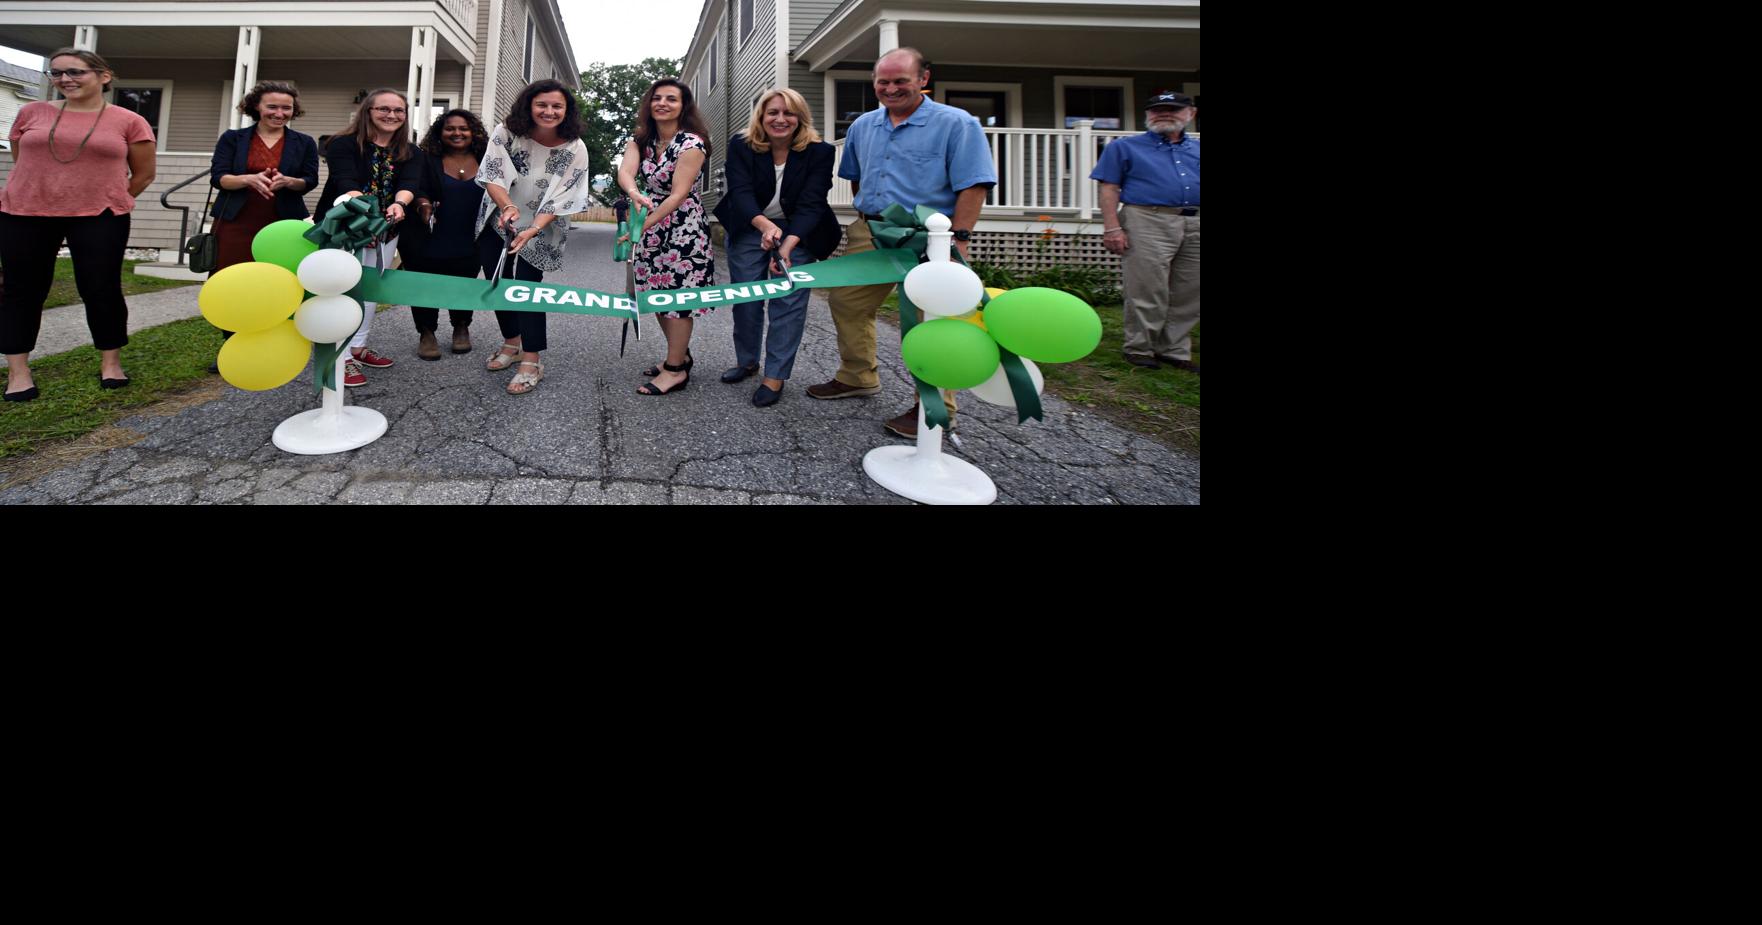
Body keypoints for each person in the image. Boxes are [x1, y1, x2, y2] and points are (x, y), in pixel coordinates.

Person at [811, 47, 995, 438]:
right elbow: (858, 178)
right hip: (872, 232)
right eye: (883, 81)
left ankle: (933, 407)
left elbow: (974, 185)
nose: (891, 89)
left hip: (931, 238)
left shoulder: (956, 124)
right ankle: (857, 376)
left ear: (923, 79)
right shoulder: (863, 126)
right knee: (847, 301)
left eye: (900, 81)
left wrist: (959, 241)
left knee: (931, 321)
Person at [1, 48, 155, 402]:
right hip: (25, 212)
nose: (64, 79)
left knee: (101, 287)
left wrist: (116, 198)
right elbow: (21, 158)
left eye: (75, 72)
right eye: (55, 74)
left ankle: (111, 363)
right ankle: (19, 371)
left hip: (99, 216)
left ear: (103, 76)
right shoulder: (31, 112)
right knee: (21, 289)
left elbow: (144, 173)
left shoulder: (128, 120)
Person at [711, 87, 838, 407]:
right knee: (747, 299)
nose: (780, 119)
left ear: (800, 118)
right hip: (750, 224)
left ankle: (775, 375)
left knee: (789, 302)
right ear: (762, 117)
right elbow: (740, 192)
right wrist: (766, 227)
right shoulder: (741, 144)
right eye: (773, 113)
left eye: (788, 113)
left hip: (801, 230)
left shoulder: (820, 151)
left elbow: (812, 203)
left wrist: (787, 245)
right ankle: (748, 361)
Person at [476, 79, 592, 394]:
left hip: (542, 224)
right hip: (500, 215)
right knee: (498, 280)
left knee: (527, 288)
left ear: (566, 111)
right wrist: (508, 207)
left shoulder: (574, 147)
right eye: (542, 104)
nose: (549, 111)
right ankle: (511, 343)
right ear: (529, 105)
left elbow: (564, 195)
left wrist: (534, 228)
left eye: (557, 106)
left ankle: (531, 359)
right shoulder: (506, 132)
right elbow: (493, 175)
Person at [1090, 91, 1200, 373]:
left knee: (1189, 289)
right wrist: (1112, 227)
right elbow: (1109, 188)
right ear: (1147, 115)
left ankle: (1174, 349)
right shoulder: (1124, 147)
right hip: (1146, 218)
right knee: (1147, 286)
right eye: (1157, 110)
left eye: (1173, 109)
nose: (1164, 114)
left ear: (1191, 114)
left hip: (1194, 221)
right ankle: (1140, 347)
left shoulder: (1197, 150)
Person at [207, 80, 319, 357]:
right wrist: (246, 178)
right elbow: (218, 177)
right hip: (237, 220)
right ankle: (233, 344)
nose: (279, 113)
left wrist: (289, 181)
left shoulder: (303, 143)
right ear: (257, 106)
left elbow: (310, 180)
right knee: (232, 281)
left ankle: (279, 343)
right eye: (272, 106)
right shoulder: (232, 139)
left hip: (284, 223)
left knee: (284, 281)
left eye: (286, 108)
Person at [616, 78, 713, 397]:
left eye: (672, 99)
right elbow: (626, 173)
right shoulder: (641, 139)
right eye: (657, 98)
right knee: (656, 293)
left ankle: (675, 371)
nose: (663, 103)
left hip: (683, 227)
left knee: (679, 300)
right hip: (648, 217)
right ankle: (679, 356)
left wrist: (639, 228)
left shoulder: (692, 144)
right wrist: (633, 194)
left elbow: (678, 195)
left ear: (683, 106)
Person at [323, 88, 424, 387]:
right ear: (368, 111)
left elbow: (409, 183)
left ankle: (358, 347)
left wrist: (400, 204)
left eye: (399, 110)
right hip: (346, 227)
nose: (391, 115)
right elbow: (346, 183)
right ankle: (340, 357)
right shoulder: (342, 144)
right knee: (345, 291)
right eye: (384, 109)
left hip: (387, 229)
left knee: (371, 289)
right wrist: (368, 220)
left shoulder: (410, 150)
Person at [402, 108, 489, 360]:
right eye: (450, 128)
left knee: (464, 283)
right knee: (423, 284)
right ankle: (426, 332)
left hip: (469, 235)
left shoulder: (486, 158)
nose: (457, 133)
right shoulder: (426, 158)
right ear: (440, 133)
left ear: (473, 132)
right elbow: (414, 185)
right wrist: (422, 203)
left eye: (464, 128)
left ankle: (461, 327)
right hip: (427, 234)